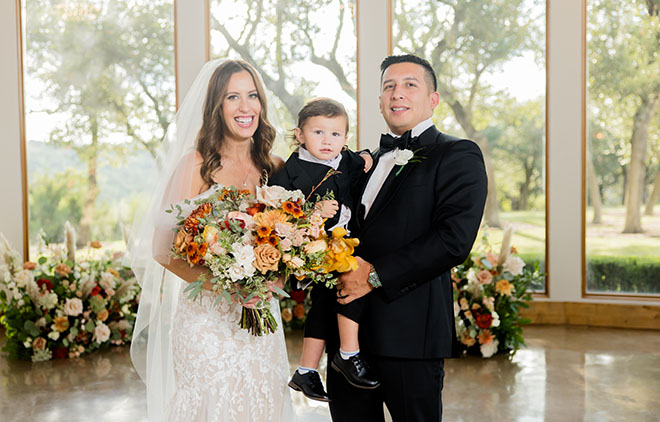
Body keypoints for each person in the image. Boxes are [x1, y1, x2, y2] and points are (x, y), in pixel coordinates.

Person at [128, 59, 294, 421]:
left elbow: (293, 238)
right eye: (232, 97)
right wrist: (231, 291)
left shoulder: (275, 166)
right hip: (208, 323)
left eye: (252, 95)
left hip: (263, 319)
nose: (245, 106)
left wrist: (276, 278)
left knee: (265, 400)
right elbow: (161, 249)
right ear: (216, 107)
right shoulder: (196, 165)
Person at [327, 54, 488, 421]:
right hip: (347, 337)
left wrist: (373, 275)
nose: (397, 93)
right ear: (380, 101)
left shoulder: (458, 154)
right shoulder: (361, 161)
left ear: (433, 99)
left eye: (409, 85)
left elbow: (453, 240)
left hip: (410, 333)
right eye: (389, 87)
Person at [269, 97, 378, 403]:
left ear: (345, 139)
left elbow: (361, 161)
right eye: (318, 133)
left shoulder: (346, 159)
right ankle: (348, 352)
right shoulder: (290, 172)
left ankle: (306, 370)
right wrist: (311, 211)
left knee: (325, 305)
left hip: (345, 243)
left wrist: (366, 156)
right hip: (312, 250)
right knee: (348, 289)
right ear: (300, 135)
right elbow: (279, 213)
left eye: (335, 134)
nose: (327, 141)